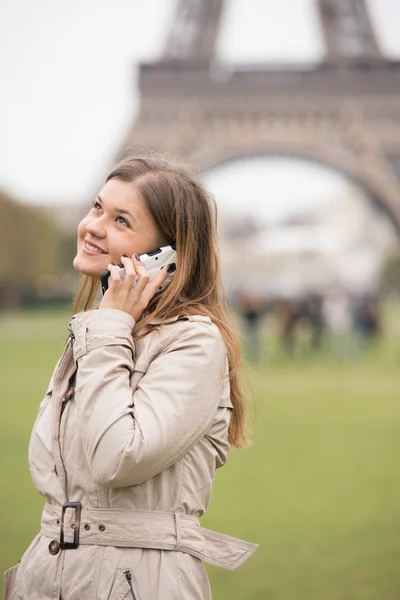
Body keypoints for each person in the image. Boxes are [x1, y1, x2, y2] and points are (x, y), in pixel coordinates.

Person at [4, 154, 257, 600]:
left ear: (168, 255)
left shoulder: (191, 342)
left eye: (121, 220)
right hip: (51, 576)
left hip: (132, 583)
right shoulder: (106, 330)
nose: (94, 226)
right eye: (98, 207)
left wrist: (109, 325)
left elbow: (115, 459)